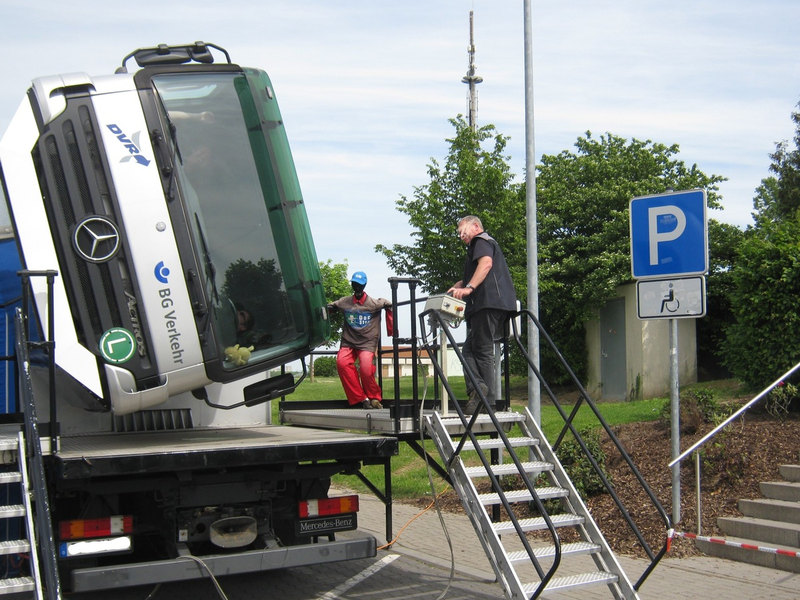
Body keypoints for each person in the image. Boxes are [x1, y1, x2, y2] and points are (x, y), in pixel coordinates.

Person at [448, 215, 517, 414]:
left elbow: (485, 264)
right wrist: (460, 285)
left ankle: (488, 400)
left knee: (483, 351)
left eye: (463, 231)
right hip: (494, 303)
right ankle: (479, 391)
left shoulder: (480, 241)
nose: (461, 236)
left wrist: (469, 287)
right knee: (469, 350)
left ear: (476, 226)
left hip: (488, 303)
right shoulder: (484, 244)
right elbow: (484, 269)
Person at [329, 272, 394, 409]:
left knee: (365, 368)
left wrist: (391, 326)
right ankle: (361, 397)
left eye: (359, 284)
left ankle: (374, 397)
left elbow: (387, 303)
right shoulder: (344, 302)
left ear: (364, 285)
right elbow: (330, 306)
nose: (356, 287)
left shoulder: (373, 303)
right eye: (354, 284)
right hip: (349, 341)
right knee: (342, 363)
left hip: (367, 342)